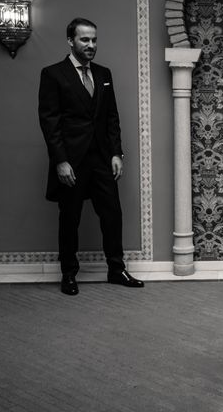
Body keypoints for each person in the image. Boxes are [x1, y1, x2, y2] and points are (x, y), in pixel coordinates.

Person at [38, 17, 144, 295]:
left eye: (94, 40)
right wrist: (61, 160)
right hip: (71, 161)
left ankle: (116, 269)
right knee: (69, 218)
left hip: (101, 159)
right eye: (85, 39)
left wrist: (116, 153)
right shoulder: (53, 74)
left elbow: (111, 117)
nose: (91, 45)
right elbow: (49, 122)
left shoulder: (103, 73)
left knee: (112, 214)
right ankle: (69, 274)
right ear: (70, 41)